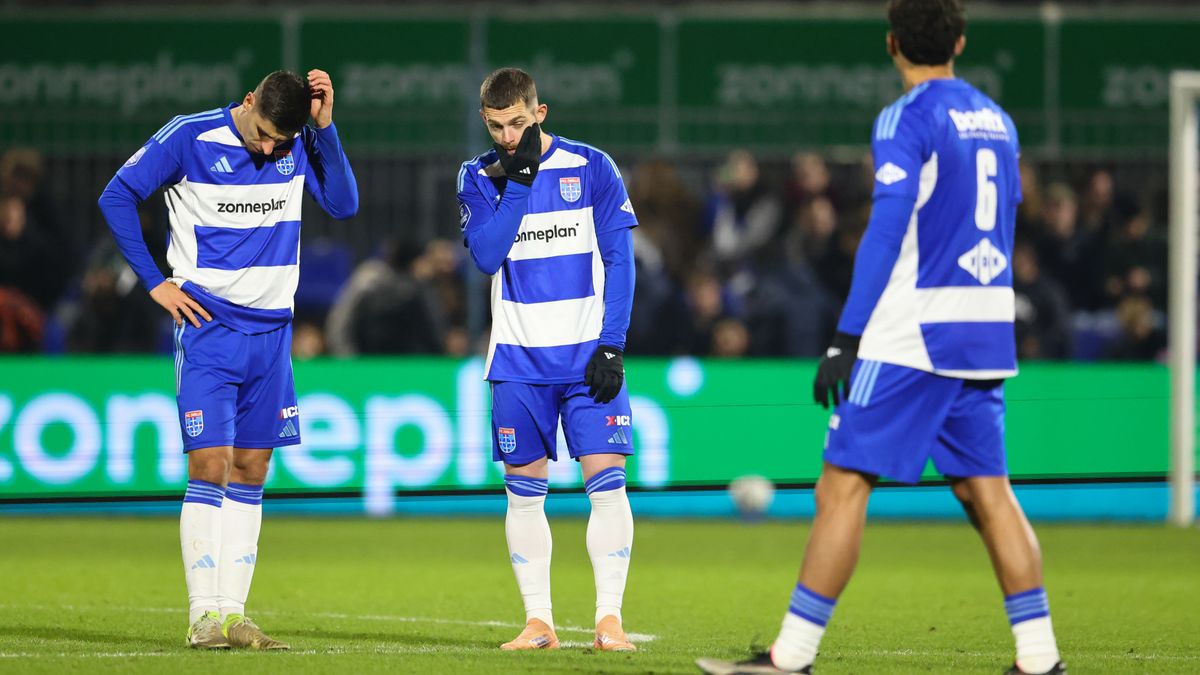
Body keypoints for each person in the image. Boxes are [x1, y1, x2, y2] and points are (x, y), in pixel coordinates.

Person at [698, 2, 1065, 673]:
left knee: (840, 484)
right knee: (988, 489)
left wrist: (846, 335)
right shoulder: (999, 122)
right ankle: (1040, 659)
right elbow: (1006, 221)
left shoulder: (906, 118)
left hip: (915, 330)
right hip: (985, 323)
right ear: (959, 41)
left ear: (892, 44)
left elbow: (888, 228)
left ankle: (792, 655)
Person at [97, 69, 358, 650]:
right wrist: (155, 283)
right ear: (247, 103)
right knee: (210, 464)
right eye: (264, 134)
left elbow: (342, 204)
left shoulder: (297, 141)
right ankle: (202, 617)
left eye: (280, 143)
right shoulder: (189, 138)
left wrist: (324, 130)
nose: (269, 149)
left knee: (252, 470)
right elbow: (115, 195)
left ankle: (235, 614)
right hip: (208, 328)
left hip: (273, 334)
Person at [456, 67, 638, 653]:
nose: (507, 137)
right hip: (516, 364)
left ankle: (609, 621)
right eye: (495, 126)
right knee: (523, 495)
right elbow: (486, 255)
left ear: (540, 113)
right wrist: (520, 182)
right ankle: (540, 623)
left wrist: (613, 344)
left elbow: (620, 260)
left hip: (587, 359)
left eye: (516, 123)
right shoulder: (479, 176)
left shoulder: (593, 168)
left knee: (608, 489)